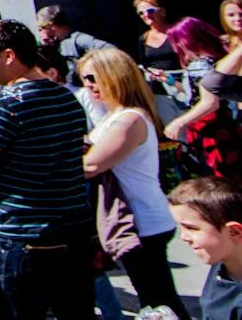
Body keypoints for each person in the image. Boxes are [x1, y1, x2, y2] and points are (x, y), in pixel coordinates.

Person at [0, 19, 92, 320]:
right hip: (72, 225)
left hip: (23, 230)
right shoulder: (67, 98)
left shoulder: (3, 102)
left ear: (9, 55)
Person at [77, 48, 190, 319]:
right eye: (83, 79)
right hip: (139, 219)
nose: (88, 85)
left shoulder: (129, 119)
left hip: (142, 222)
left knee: (160, 302)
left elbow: (91, 166)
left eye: (93, 78)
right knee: (155, 300)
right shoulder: (118, 116)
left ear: (114, 76)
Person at [159, 17, 242, 179]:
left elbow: (210, 103)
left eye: (177, 42)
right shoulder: (218, 60)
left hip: (211, 129)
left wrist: (179, 122)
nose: (177, 48)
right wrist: (170, 81)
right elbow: (196, 95)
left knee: (219, 180)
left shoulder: (200, 64)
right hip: (224, 126)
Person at [167, 177, 242, 320]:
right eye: (180, 227)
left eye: (191, 228)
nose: (183, 237)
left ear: (234, 232)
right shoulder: (221, 263)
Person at [35, 4, 117, 83]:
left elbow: (110, 49)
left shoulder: (78, 39)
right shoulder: (56, 44)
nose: (41, 33)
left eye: (41, 29)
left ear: (51, 26)